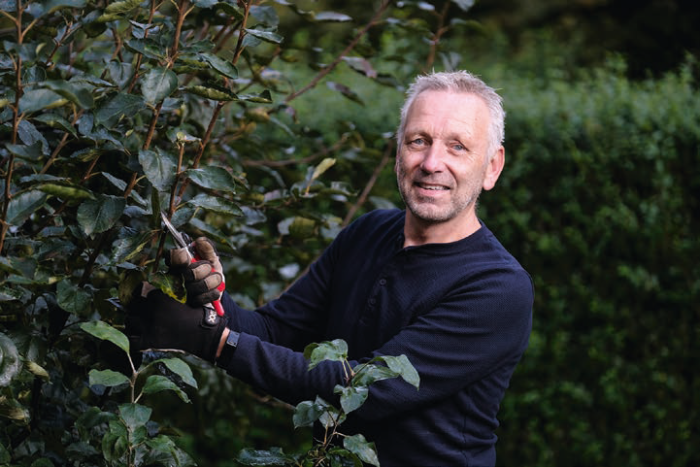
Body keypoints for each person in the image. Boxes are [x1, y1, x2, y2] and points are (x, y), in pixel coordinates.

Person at [126, 70, 534, 466]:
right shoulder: (369, 232)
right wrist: (208, 299)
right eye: (418, 140)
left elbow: (360, 391)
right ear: (398, 149)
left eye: (457, 147)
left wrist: (215, 341)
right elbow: (274, 332)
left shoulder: (497, 288)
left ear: (492, 167)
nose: (431, 162)